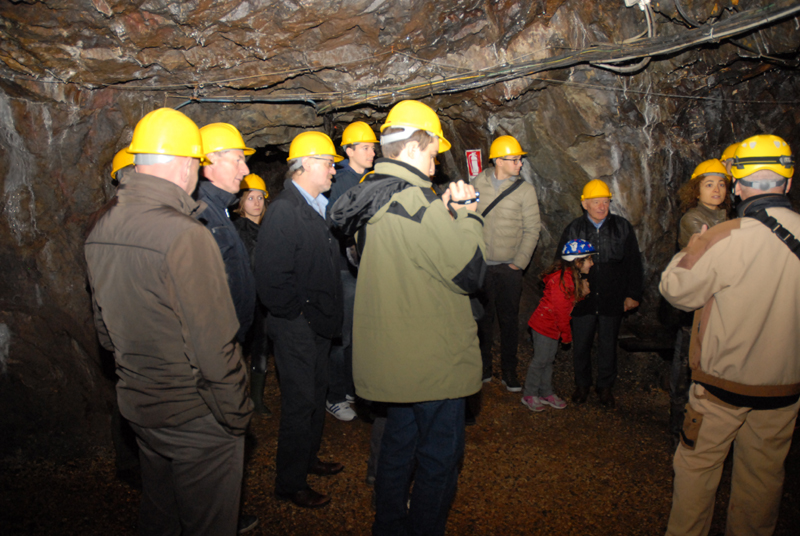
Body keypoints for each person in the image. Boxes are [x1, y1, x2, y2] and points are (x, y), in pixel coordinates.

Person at [85, 108, 253, 535]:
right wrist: (236, 414)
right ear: (184, 164)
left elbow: (106, 334)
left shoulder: (101, 229)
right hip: (195, 416)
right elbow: (214, 346)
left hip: (141, 407)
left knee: (160, 516)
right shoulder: (186, 235)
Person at [329, 99, 486, 536]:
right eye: (434, 152)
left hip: (393, 361)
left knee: (398, 449)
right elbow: (470, 272)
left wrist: (443, 216)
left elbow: (405, 259)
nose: (437, 163)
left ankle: (388, 524)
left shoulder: (370, 197)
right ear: (417, 146)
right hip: (432, 363)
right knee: (439, 458)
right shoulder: (417, 201)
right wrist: (467, 216)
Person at [660, 134, 800, 536]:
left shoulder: (725, 237)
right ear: (788, 182)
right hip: (783, 390)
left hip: (722, 387)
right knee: (763, 479)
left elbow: (675, 288)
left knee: (697, 469)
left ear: (736, 185)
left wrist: (696, 245)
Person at [254, 131, 345, 509]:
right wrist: (300, 316)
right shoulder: (284, 210)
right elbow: (270, 279)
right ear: (304, 164)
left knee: (315, 396)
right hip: (297, 327)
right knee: (299, 403)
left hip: (316, 324)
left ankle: (308, 460)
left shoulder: (318, 205)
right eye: (328, 163)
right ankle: (289, 483)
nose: (333, 171)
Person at [556, 179, 643, 408]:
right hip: (582, 298)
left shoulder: (622, 227)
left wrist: (633, 294)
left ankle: (605, 387)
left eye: (605, 202)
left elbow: (634, 262)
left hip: (612, 296)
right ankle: (582, 385)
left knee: (608, 344)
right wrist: (570, 292)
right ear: (584, 204)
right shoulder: (574, 228)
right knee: (581, 343)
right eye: (596, 202)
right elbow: (561, 264)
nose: (601, 207)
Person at [668, 158, 730, 445]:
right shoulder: (693, 219)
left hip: (720, 306)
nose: (716, 190)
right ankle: (678, 429)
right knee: (686, 366)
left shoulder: (729, 216)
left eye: (721, 184)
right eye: (709, 184)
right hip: (696, 307)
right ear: (697, 190)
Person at [472, 135, 541, 391]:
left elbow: (533, 229)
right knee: (483, 320)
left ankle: (509, 371)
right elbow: (468, 219)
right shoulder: (477, 183)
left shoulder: (525, 190)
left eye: (520, 159)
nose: (520, 164)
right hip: (483, 266)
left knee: (509, 321)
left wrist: (518, 263)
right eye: (515, 159)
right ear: (499, 161)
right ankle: (484, 367)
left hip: (509, 268)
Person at [325, 121, 379, 421]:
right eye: (366, 147)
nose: (372, 152)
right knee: (343, 335)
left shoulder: (368, 178)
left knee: (357, 335)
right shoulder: (342, 181)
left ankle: (348, 388)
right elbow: (336, 223)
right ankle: (334, 396)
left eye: (373, 147)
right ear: (349, 150)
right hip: (345, 269)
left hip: (362, 269)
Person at [198, 123, 257, 345]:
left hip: (230, 337)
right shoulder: (199, 212)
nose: (245, 170)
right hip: (216, 341)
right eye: (238, 160)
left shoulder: (219, 209)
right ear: (210, 160)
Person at [522, 239, 595, 412]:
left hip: (552, 327)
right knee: (540, 361)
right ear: (578, 261)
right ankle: (529, 393)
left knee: (548, 361)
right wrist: (567, 335)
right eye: (589, 259)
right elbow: (561, 312)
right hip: (544, 326)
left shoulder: (569, 277)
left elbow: (567, 302)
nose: (592, 263)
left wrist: (582, 295)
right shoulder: (562, 280)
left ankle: (545, 392)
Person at [233, 173, 271, 416]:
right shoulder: (235, 230)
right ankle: (236, 398)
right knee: (237, 348)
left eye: (260, 198)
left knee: (261, 348)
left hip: (264, 300)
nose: (256, 203)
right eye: (250, 198)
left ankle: (256, 398)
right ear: (241, 202)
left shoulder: (270, 228)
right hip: (243, 298)